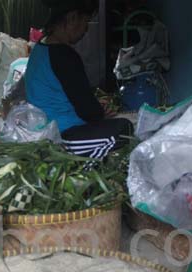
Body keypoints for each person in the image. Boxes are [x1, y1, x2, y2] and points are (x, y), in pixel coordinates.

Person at [25, 0, 132, 160]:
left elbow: (73, 95)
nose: (86, 29)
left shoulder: (40, 47)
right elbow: (87, 111)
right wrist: (100, 113)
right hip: (63, 136)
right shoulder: (64, 55)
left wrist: (95, 108)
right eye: (86, 22)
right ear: (72, 18)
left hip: (44, 128)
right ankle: (81, 163)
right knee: (124, 128)